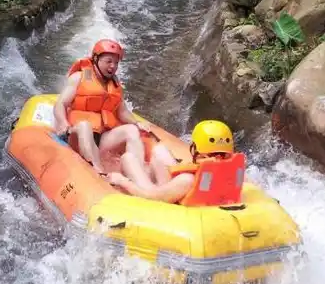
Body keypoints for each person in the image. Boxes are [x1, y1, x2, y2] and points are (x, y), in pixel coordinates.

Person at [53, 39, 150, 174]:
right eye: (108, 61)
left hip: (100, 138)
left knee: (131, 130)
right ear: (96, 59)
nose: (113, 66)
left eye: (116, 63)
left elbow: (122, 112)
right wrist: (63, 123)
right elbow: (60, 104)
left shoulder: (115, 86)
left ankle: (138, 173)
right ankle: (98, 173)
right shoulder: (79, 77)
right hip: (76, 135)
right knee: (85, 126)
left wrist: (137, 122)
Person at [108, 120, 240, 204]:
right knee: (159, 150)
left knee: (128, 159)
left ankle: (142, 171)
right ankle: (148, 170)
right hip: (179, 191)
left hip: (157, 195)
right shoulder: (233, 173)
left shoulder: (187, 180)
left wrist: (122, 181)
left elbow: (151, 198)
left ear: (196, 148)